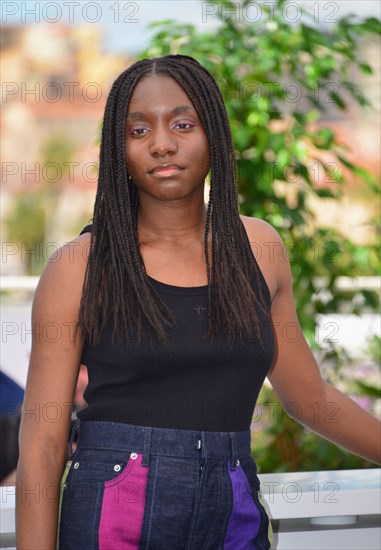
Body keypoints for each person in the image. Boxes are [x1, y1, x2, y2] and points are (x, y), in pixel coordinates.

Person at [16, 55, 380, 550]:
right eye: (138, 130)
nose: (162, 143)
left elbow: (309, 398)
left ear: (214, 136)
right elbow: (42, 443)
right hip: (113, 513)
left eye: (182, 124)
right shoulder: (79, 266)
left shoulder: (260, 248)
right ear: (118, 150)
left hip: (233, 508)